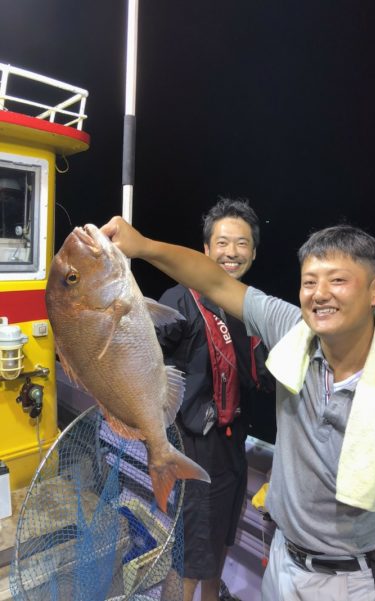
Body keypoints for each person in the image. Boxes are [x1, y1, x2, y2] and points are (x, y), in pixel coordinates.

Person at [101, 217, 375, 601]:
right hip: (281, 560)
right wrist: (142, 245)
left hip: (352, 579)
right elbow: (214, 282)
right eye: (309, 282)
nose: (320, 294)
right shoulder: (293, 330)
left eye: (337, 280)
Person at [155, 198, 274, 601]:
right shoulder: (177, 300)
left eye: (242, 244)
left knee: (221, 540)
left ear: (253, 253)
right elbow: (150, 348)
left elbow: (269, 374)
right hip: (192, 450)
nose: (232, 252)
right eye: (222, 243)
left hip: (232, 446)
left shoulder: (251, 308)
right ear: (204, 250)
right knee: (189, 553)